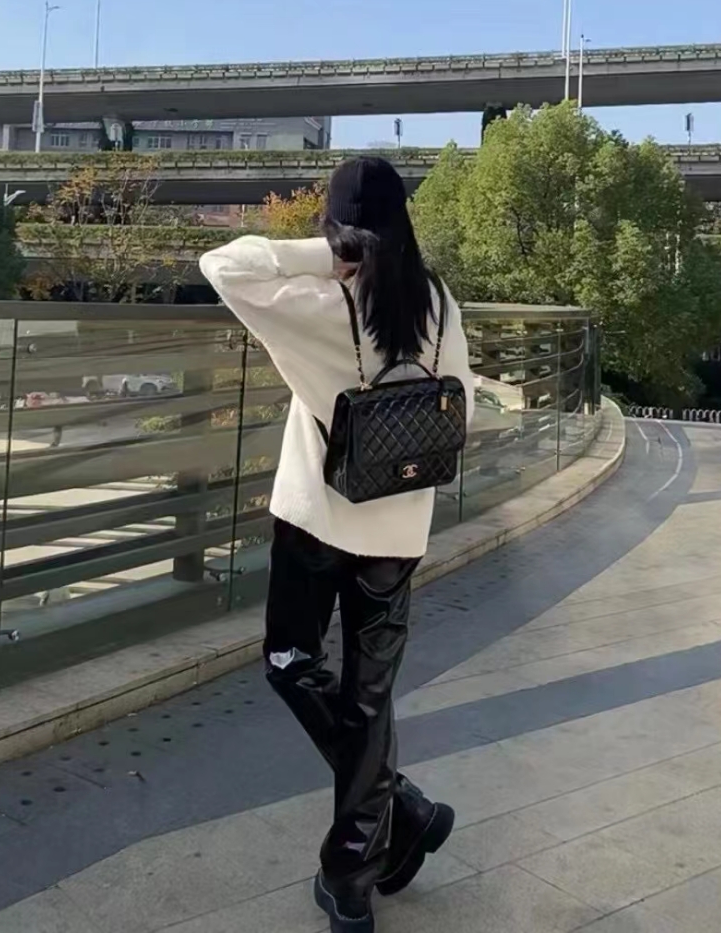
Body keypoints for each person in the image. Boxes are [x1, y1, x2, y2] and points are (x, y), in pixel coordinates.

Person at [200, 156, 475, 933]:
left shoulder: (321, 301)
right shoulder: (439, 301)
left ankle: (392, 823)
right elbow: (461, 400)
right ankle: (366, 859)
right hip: (400, 526)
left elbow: (223, 264)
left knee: (292, 659)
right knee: (369, 695)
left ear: (341, 228)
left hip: (318, 518)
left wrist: (329, 255)